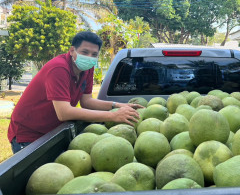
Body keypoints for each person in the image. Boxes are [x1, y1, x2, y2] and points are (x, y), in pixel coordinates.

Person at [8, 31, 142, 153]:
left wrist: (117, 106)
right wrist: (112, 116)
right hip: (29, 134)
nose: (89, 57)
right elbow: (64, 113)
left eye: (94, 54)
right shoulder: (58, 68)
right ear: (72, 50)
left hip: (53, 132)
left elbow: (87, 101)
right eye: (85, 52)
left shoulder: (87, 69)